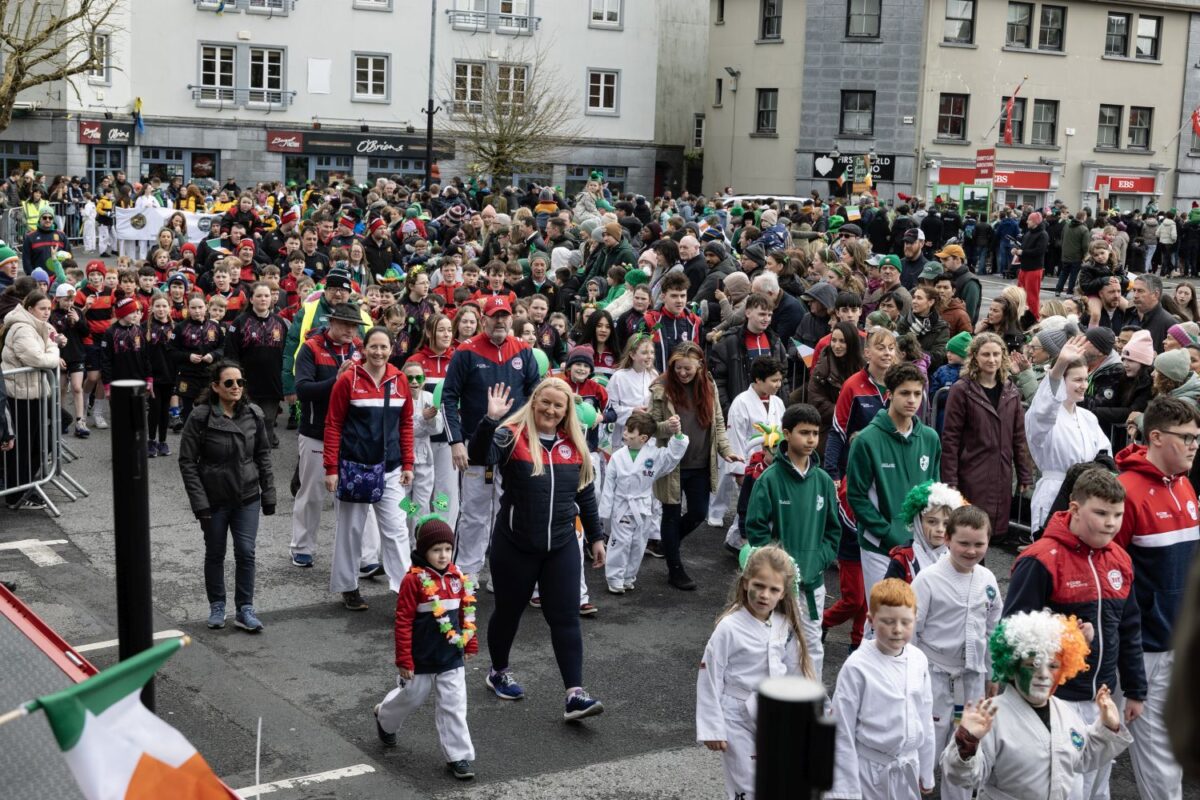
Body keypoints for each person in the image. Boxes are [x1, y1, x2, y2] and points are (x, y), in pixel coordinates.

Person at [1003, 467, 1147, 799]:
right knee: (1062, 786)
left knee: (1097, 785)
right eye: (1101, 513)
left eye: (1118, 515)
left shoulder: (1121, 560)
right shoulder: (1040, 559)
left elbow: (1129, 628)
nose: (1111, 523)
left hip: (1102, 697)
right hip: (1057, 699)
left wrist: (1136, 689)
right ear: (1075, 509)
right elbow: (1011, 632)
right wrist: (1065, 636)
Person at [468, 378, 607, 721]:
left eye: (558, 405)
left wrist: (596, 536)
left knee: (566, 617)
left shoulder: (574, 443)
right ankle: (498, 671)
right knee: (508, 612)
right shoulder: (510, 435)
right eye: (545, 402)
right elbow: (478, 456)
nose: (551, 410)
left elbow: (585, 493)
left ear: (567, 410)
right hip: (516, 544)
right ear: (534, 402)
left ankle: (574, 694)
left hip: (561, 544)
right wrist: (489, 420)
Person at [941, 611, 1133, 799]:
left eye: (1053, 666)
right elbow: (964, 777)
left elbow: (1083, 755)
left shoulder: (1065, 713)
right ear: (1012, 667)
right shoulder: (990, 717)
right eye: (1032, 665)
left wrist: (1109, 727)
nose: (1043, 674)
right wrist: (967, 743)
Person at [1114, 395, 1199, 800]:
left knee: (1163, 760)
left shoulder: (1184, 484)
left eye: (1198, 438)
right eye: (1187, 438)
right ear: (1157, 437)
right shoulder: (1125, 492)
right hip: (1137, 649)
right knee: (1098, 746)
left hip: (1174, 644)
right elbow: (1109, 576)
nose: (1194, 446)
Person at [696, 545, 814, 800]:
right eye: (759, 585)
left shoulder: (783, 625)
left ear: (783, 593)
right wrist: (712, 727)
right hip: (736, 715)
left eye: (773, 590)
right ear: (746, 582)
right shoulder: (729, 627)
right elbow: (710, 675)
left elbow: (795, 672)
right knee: (747, 784)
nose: (764, 595)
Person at [440, 295, 540, 583]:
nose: (499, 321)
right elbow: (448, 398)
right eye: (494, 316)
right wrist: (455, 442)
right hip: (477, 445)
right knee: (474, 513)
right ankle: (467, 573)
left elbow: (535, 396)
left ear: (511, 319)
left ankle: (501, 571)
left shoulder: (524, 351)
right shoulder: (466, 351)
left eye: (504, 316)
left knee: (508, 511)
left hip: (514, 446)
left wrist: (533, 440)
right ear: (483, 319)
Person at [373, 516, 478, 781]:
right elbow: (403, 622)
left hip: (451, 656)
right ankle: (385, 717)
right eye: (436, 550)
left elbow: (466, 612)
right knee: (410, 697)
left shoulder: (457, 577)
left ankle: (458, 756)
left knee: (454, 705)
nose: (443, 555)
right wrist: (404, 659)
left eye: (447, 549)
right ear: (423, 550)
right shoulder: (413, 581)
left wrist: (469, 641)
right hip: (420, 658)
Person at [911, 504, 1002, 800]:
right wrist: (910, 675)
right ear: (948, 539)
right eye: (963, 543)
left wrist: (993, 672)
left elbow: (993, 630)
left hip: (973, 679)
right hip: (934, 675)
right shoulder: (928, 579)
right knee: (927, 741)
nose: (971, 551)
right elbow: (911, 631)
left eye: (979, 544)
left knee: (965, 746)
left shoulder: (987, 580)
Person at [743, 403, 839, 680]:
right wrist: (776, 569)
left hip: (813, 584)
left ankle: (810, 698)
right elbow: (756, 529)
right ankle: (776, 698)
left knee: (812, 645)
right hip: (779, 585)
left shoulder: (823, 481)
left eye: (815, 433)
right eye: (804, 433)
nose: (811, 440)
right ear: (786, 434)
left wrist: (818, 560)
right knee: (776, 643)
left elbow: (833, 531)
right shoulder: (770, 479)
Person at [178, 360, 276, 632]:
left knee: (246, 552)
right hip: (214, 500)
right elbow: (187, 462)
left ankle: (245, 609)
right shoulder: (200, 416)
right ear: (215, 386)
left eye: (240, 382)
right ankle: (217, 605)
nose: (236, 387)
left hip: (247, 496)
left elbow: (263, 455)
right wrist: (200, 503)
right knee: (215, 552)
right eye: (229, 382)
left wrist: (268, 493)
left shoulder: (253, 414)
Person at [323, 326, 415, 611]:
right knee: (351, 530)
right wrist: (331, 468)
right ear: (363, 349)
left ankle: (405, 593)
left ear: (392, 349)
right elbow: (333, 424)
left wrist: (408, 463)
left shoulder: (400, 380)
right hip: (355, 467)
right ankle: (348, 586)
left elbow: (406, 424)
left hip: (391, 469)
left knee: (397, 530)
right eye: (373, 346)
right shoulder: (347, 380)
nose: (378, 352)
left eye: (384, 347)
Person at [828, 578, 936, 799]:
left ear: (915, 618)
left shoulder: (918, 660)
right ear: (871, 620)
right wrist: (844, 791)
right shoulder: (857, 666)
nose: (897, 630)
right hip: (870, 771)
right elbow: (842, 728)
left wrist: (926, 770)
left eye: (905, 622)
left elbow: (925, 716)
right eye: (888, 621)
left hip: (907, 765)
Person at [846, 362, 942, 598]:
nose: (912, 400)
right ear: (889, 394)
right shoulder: (867, 440)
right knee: (885, 613)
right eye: (905, 393)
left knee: (919, 613)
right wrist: (888, 532)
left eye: (917, 394)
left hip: (920, 545)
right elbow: (856, 497)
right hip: (879, 546)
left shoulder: (930, 438)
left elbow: (934, 492)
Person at [649, 341, 740, 590]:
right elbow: (651, 426)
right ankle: (675, 569)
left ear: (700, 365)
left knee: (699, 512)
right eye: (678, 368)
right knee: (670, 514)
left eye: (687, 368)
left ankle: (668, 543)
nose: (682, 373)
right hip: (672, 464)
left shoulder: (709, 386)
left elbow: (718, 422)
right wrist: (668, 426)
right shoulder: (661, 388)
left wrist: (727, 451)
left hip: (700, 463)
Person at [940, 332, 1034, 542]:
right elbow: (951, 439)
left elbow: (1019, 437)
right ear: (975, 356)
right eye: (986, 354)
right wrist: (950, 480)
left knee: (991, 535)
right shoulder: (961, 390)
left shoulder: (1011, 391)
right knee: (969, 533)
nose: (992, 359)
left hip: (1001, 474)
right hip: (971, 472)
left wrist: (1024, 473)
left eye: (996, 354)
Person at [1024, 335, 1111, 534]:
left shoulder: (1088, 418)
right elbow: (1043, 408)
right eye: (1077, 380)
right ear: (1062, 382)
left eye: (1085, 379)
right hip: (1053, 495)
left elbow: (1105, 456)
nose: (1083, 385)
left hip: (1086, 497)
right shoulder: (1042, 418)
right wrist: (1060, 365)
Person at [599, 410, 687, 594]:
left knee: (638, 544)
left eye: (630, 432)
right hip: (622, 506)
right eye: (625, 429)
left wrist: (678, 434)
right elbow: (608, 485)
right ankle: (615, 578)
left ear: (643, 438)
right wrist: (605, 511)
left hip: (643, 507)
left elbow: (672, 456)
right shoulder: (617, 456)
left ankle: (629, 577)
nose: (625, 434)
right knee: (620, 543)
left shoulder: (654, 455)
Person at [2, 291, 61, 510]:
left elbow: (44, 352)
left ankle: (25, 487)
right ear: (29, 309)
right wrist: (54, 350)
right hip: (20, 395)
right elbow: (37, 358)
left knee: (40, 442)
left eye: (49, 309)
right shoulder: (22, 328)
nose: (46, 313)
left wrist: (50, 347)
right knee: (23, 447)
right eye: (42, 309)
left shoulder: (36, 326)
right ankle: (16, 494)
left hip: (32, 392)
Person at [223, 282, 289, 448]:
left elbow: (287, 353)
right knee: (247, 421)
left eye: (266, 296)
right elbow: (230, 354)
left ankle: (263, 455)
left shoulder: (280, 323)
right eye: (259, 296)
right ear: (251, 299)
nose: (263, 299)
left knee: (267, 421)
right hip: (246, 383)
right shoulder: (240, 322)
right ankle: (244, 456)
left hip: (272, 383)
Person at [1013, 210, 1049, 318]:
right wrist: (1016, 251)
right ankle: (1021, 316)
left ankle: (1034, 317)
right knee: (1020, 295)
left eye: (1029, 220)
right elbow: (1023, 248)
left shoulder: (1043, 234)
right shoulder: (1028, 233)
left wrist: (1022, 252)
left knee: (1032, 296)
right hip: (1024, 268)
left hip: (1034, 269)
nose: (1027, 222)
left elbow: (1039, 251)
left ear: (1035, 222)